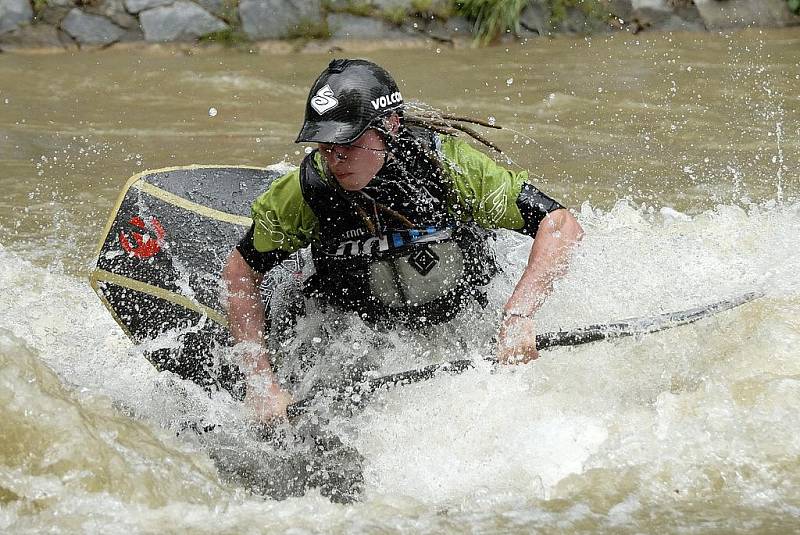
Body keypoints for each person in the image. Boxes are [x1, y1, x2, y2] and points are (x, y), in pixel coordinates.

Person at [222, 59, 583, 424]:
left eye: (349, 139)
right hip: (357, 336)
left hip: (461, 321)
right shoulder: (308, 190)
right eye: (326, 143)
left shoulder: (449, 166)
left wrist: (520, 314)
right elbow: (241, 271)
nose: (336, 156)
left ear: (390, 125)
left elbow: (561, 225)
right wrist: (260, 382)